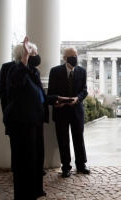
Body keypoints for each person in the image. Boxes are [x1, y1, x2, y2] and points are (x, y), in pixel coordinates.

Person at [3, 36, 48, 199]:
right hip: (21, 122)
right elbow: (16, 82)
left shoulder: (33, 71)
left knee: (35, 160)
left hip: (34, 121)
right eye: (33, 53)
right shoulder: (15, 70)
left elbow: (39, 95)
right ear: (24, 55)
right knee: (24, 163)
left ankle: (34, 191)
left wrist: (56, 99)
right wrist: (25, 57)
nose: (36, 56)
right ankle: (23, 196)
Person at [47, 46, 89, 177]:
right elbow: (50, 94)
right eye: (72, 56)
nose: (75, 58)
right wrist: (57, 101)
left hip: (77, 111)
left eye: (76, 55)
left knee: (79, 139)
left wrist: (78, 98)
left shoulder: (82, 71)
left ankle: (81, 165)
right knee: (63, 140)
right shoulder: (55, 71)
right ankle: (66, 167)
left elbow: (84, 90)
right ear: (65, 58)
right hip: (61, 112)